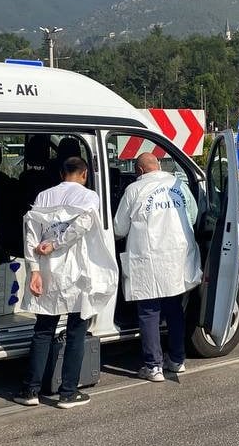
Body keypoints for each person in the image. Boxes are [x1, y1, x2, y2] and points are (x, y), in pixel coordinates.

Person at [13, 156, 116, 409]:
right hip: (76, 272)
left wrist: (34, 269)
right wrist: (56, 244)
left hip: (48, 272)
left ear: (62, 174)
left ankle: (30, 391)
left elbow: (31, 233)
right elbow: (83, 224)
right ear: (84, 175)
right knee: (75, 332)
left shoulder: (43, 197)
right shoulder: (89, 196)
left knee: (43, 330)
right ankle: (68, 392)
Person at [113, 153, 201, 383]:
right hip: (177, 257)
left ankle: (153, 366)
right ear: (159, 166)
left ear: (140, 171)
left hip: (148, 258)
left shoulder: (134, 190)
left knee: (149, 311)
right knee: (173, 309)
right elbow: (192, 216)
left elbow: (119, 228)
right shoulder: (178, 185)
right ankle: (177, 360)